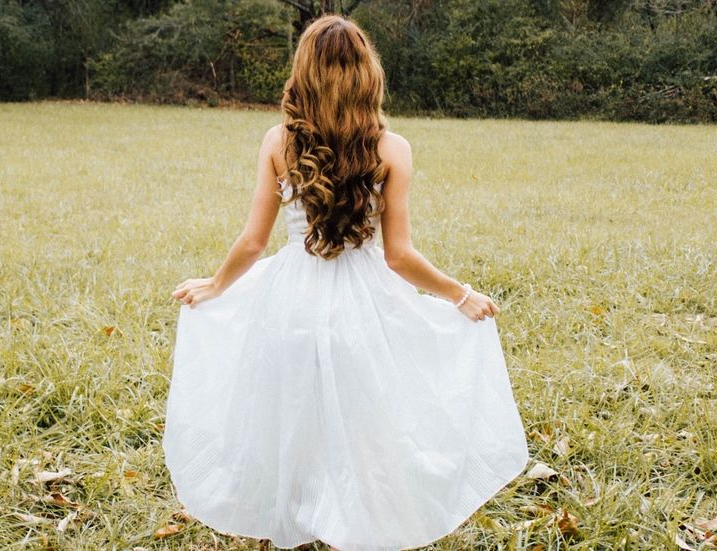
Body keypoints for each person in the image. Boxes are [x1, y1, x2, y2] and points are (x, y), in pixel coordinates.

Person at [163, 13, 529, 551]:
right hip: (364, 305)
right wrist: (461, 294)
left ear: (303, 74)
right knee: (363, 420)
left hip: (287, 302)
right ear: (367, 75)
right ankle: (354, 521)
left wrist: (217, 285)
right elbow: (399, 257)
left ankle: (295, 516)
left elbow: (253, 242)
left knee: (290, 413)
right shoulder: (392, 149)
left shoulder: (278, 141)